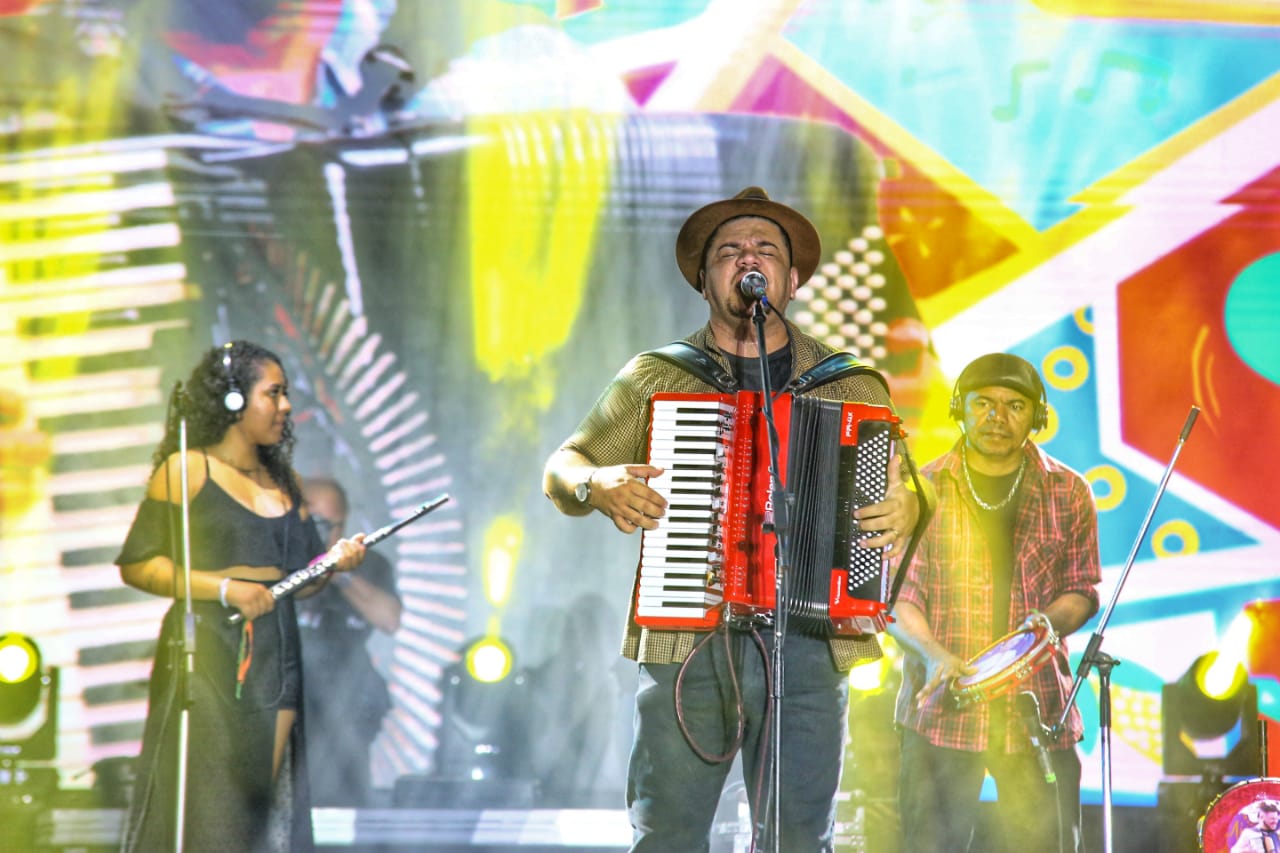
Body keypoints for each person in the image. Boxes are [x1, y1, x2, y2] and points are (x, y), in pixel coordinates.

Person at [542, 187, 927, 851]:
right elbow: (562, 466)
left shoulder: (850, 384)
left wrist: (909, 505)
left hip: (809, 645)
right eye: (728, 251)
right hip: (689, 639)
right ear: (704, 280)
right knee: (668, 836)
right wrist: (594, 483)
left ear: (792, 280)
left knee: (798, 839)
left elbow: (905, 488)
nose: (747, 258)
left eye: (764, 249)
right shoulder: (659, 376)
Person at [115, 340, 367, 852]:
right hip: (208, 644)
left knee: (260, 806)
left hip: (276, 650)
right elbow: (139, 564)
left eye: (285, 393)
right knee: (211, 804)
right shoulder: (188, 469)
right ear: (233, 400)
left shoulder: (285, 482)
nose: (285, 406)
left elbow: (305, 579)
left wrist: (335, 563)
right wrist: (225, 589)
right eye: (273, 393)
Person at [886, 352, 1101, 853]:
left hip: (1036, 711)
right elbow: (898, 597)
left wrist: (1043, 626)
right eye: (983, 403)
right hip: (941, 711)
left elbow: (1082, 589)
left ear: (1037, 416)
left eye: (1014, 406)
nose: (997, 417)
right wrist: (934, 655)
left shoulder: (1069, 491)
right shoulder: (923, 490)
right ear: (960, 408)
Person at [296, 476, 402, 807]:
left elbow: (389, 619)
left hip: (348, 704)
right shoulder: (276, 561)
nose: (324, 532)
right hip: (291, 698)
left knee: (345, 798)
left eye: (333, 524)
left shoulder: (367, 564)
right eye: (316, 521)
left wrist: (337, 571)